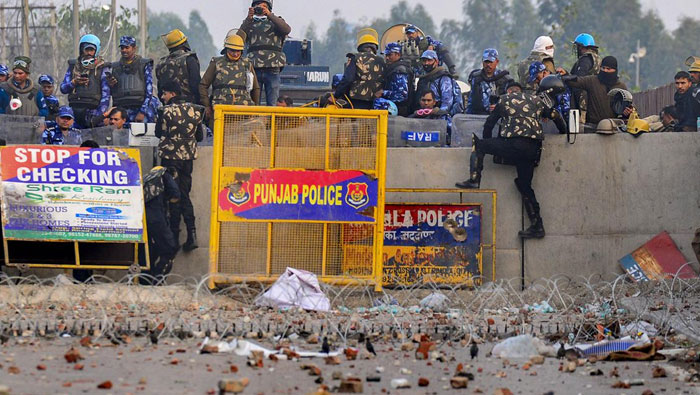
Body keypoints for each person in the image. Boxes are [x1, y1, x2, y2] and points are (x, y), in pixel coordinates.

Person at [456, 76, 567, 239]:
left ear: (508, 92)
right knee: (524, 184)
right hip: (533, 149)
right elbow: (555, 115)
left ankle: (474, 179)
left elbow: (489, 124)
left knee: (479, 144)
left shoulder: (503, 100)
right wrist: (564, 132)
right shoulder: (535, 100)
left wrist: (488, 143)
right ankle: (537, 225)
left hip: (513, 145)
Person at [156, 81, 205, 252]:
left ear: (173, 94)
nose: (162, 97)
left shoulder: (165, 111)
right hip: (188, 160)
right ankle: (192, 235)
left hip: (170, 159)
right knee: (185, 194)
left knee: (173, 196)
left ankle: (174, 238)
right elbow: (200, 136)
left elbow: (158, 133)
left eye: (165, 94)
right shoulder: (196, 110)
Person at [239, 0, 291, 106]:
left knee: (272, 102)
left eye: (263, 6)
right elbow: (238, 38)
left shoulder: (276, 21)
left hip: (273, 68)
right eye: (257, 6)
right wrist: (248, 19)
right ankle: (254, 122)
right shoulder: (250, 23)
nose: (260, 8)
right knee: (253, 102)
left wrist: (269, 15)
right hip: (254, 68)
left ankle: (271, 122)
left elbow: (286, 30)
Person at [200, 33, 260, 122]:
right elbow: (203, 85)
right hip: (220, 110)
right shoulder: (216, 63)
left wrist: (254, 108)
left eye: (238, 51)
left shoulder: (247, 64)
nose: (235, 54)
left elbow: (255, 88)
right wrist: (207, 106)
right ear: (226, 49)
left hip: (243, 111)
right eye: (232, 51)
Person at [564, 56, 631, 130]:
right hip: (592, 127)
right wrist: (565, 75)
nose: (605, 71)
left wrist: (627, 112)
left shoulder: (621, 86)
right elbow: (577, 81)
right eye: (603, 68)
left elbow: (629, 106)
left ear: (614, 70)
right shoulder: (592, 81)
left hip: (613, 128)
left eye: (608, 69)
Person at [139, 165, 180, 284]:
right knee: (170, 248)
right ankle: (158, 277)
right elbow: (175, 195)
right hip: (156, 217)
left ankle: (145, 279)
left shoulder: (146, 178)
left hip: (141, 218)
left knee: (148, 249)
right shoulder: (165, 174)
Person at [60, 34, 110, 128]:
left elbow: (106, 96)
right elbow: (63, 88)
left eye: (91, 50)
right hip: (75, 113)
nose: (89, 53)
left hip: (93, 112)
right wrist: (74, 83)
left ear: (96, 51)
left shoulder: (102, 68)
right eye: (86, 50)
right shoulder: (73, 67)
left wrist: (98, 116)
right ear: (81, 50)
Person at [108, 36, 158, 123]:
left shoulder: (144, 64)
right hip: (122, 110)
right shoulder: (115, 67)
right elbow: (111, 92)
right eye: (122, 48)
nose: (124, 50)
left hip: (140, 107)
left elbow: (149, 91)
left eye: (127, 47)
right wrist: (111, 84)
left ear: (134, 48)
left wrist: (143, 112)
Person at [334, 28, 385, 110]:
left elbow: (348, 79)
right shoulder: (382, 60)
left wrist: (336, 95)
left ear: (360, 46)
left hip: (356, 100)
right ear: (375, 47)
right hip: (375, 102)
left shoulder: (355, 57)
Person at [562, 33, 600, 125]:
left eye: (578, 47)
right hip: (594, 101)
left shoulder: (585, 59)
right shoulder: (597, 59)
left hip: (584, 103)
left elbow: (579, 79)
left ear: (582, 47)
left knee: (581, 128)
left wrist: (565, 78)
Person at [155, 29, 201, 105]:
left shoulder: (161, 64)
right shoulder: (190, 60)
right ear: (184, 44)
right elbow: (196, 86)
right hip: (189, 108)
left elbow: (160, 91)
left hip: (168, 109)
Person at [414, 50, 462, 116]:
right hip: (424, 116)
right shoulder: (422, 79)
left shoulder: (444, 78)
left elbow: (447, 102)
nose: (426, 63)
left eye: (429, 60)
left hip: (441, 118)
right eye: (424, 61)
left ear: (436, 62)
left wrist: (438, 113)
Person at [466, 48, 512, 115]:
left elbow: (511, 101)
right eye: (486, 62)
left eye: (491, 62)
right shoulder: (475, 77)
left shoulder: (504, 78)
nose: (488, 65)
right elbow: (471, 100)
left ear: (497, 61)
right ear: (482, 61)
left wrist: (499, 106)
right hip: (476, 116)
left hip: (497, 117)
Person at [374, 42, 413, 116]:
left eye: (390, 55)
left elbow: (402, 95)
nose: (387, 58)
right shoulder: (393, 68)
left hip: (400, 112)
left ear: (398, 54)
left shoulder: (400, 70)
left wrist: (383, 93)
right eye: (386, 55)